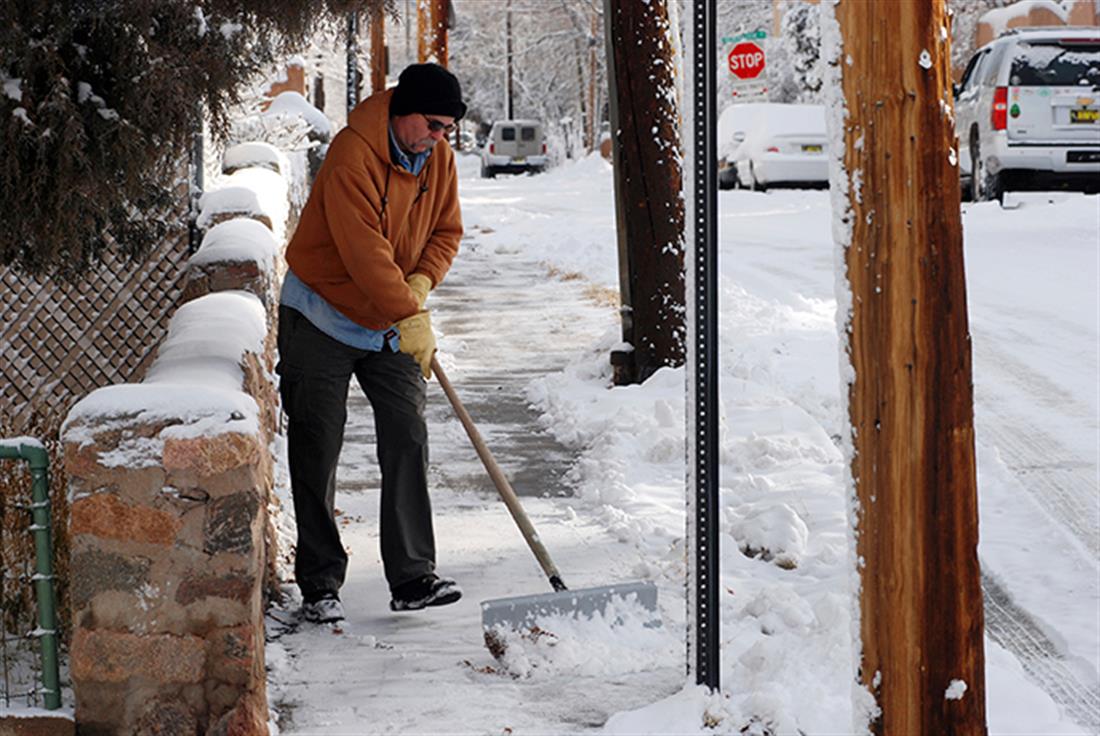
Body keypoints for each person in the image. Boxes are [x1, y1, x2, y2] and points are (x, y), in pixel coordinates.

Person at [276, 63, 466, 624]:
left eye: (447, 128)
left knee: (407, 434)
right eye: (432, 124)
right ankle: (320, 584)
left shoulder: (440, 160)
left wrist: (422, 281)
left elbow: (445, 232)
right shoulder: (351, 155)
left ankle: (412, 576)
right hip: (321, 313)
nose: (439, 137)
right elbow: (362, 253)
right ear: (403, 111)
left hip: (388, 316)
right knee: (317, 442)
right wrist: (410, 312)